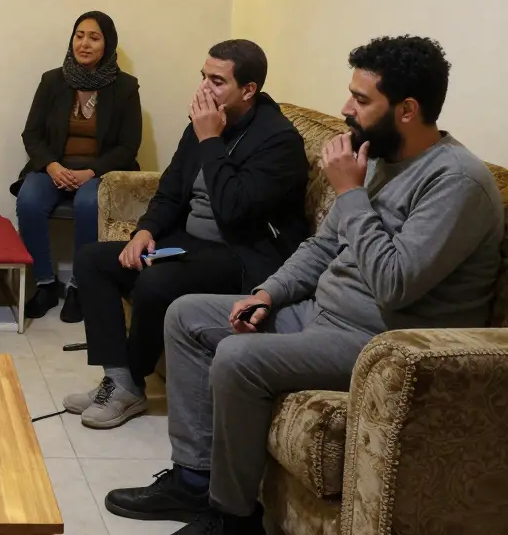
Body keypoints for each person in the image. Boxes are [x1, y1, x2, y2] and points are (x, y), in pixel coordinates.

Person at [104, 36, 504, 535]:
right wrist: (267, 293)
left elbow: (395, 284)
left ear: (406, 109)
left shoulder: (456, 183)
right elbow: (321, 247)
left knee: (237, 358)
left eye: (361, 100)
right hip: (320, 313)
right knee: (186, 315)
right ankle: (191, 479)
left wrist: (350, 192)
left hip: (381, 343)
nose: (346, 110)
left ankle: (233, 518)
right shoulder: (379, 158)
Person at [66, 39, 309, 429]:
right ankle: (120, 379)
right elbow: (171, 189)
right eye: (203, 77)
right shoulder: (201, 123)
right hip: (192, 243)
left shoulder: (278, 140)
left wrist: (211, 139)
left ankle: (131, 382)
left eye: (217, 81)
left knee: (156, 282)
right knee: (94, 260)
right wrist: (144, 230)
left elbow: (233, 209)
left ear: (248, 90)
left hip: (243, 254)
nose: (203, 89)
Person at [11, 11, 142, 321]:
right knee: (29, 199)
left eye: (94, 38)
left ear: (107, 44)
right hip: (54, 168)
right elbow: (32, 134)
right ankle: (45, 284)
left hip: (100, 172)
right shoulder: (52, 81)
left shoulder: (125, 87)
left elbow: (128, 146)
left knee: (88, 204)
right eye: (79, 35)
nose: (84, 43)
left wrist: (90, 172)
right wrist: (52, 167)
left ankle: (79, 287)